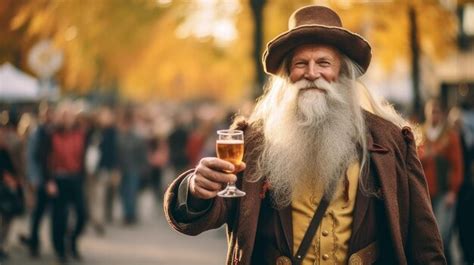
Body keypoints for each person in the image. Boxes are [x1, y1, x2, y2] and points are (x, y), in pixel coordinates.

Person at [164, 5, 446, 264]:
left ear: (342, 74)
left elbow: (425, 243)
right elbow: (210, 213)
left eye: (324, 63)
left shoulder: (391, 140)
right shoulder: (253, 142)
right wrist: (195, 189)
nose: (312, 73)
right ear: (287, 76)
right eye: (301, 64)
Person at [418, 99, 463, 264]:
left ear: (441, 114)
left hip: (444, 192)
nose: (433, 115)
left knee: (442, 234)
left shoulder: (449, 136)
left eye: (436, 112)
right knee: (430, 236)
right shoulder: (420, 134)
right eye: (430, 112)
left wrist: (453, 191)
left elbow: (457, 165)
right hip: (425, 193)